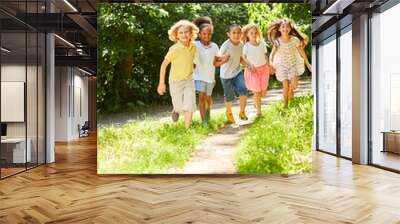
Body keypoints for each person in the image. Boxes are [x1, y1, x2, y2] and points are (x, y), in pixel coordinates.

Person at [157, 20, 199, 128]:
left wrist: (193, 65)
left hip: (189, 80)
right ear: (176, 35)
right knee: (179, 106)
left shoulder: (194, 47)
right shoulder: (174, 49)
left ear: (191, 34)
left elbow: (192, 60)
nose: (184, 34)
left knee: (189, 104)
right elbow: (163, 65)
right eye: (181, 32)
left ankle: (187, 128)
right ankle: (176, 110)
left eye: (186, 32)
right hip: (175, 81)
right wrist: (161, 83)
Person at [192, 16, 229, 127]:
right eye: (204, 34)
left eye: (209, 34)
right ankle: (204, 122)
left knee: (208, 98)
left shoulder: (214, 46)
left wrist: (224, 59)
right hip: (198, 76)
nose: (207, 36)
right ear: (199, 34)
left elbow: (215, 63)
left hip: (210, 77)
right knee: (202, 97)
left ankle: (208, 116)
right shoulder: (195, 45)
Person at [268, 18, 312, 107]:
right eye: (283, 27)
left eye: (287, 26)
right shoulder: (278, 41)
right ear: (279, 29)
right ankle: (285, 106)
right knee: (285, 85)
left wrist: (308, 64)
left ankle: (290, 92)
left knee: (294, 85)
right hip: (281, 66)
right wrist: (271, 63)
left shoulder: (295, 40)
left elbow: (301, 52)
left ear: (290, 28)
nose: (285, 28)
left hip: (292, 65)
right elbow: (272, 54)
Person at [218, 24, 253, 123]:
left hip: (237, 72)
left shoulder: (241, 44)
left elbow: (240, 59)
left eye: (238, 33)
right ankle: (229, 113)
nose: (236, 35)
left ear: (241, 34)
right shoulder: (226, 45)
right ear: (228, 34)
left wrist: (248, 65)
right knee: (229, 96)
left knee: (244, 89)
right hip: (225, 75)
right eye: (234, 33)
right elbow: (218, 57)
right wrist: (224, 57)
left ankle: (242, 112)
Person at [241, 23, 272, 117]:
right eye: (251, 33)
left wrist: (270, 66)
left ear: (258, 33)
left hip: (264, 69)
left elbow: (265, 55)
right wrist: (249, 65)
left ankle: (256, 102)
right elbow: (244, 58)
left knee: (263, 93)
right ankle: (259, 112)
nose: (254, 35)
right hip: (253, 71)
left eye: (255, 33)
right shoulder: (246, 46)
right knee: (257, 92)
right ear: (247, 34)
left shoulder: (262, 44)